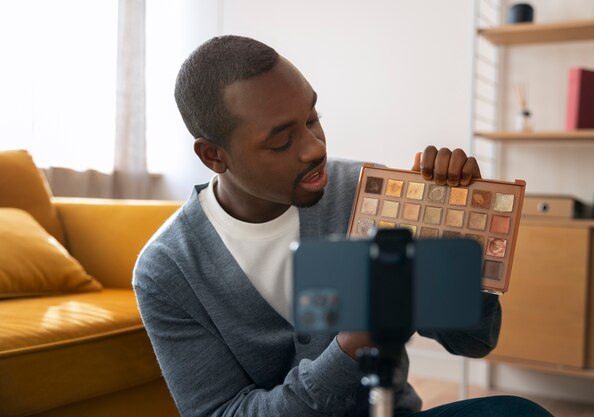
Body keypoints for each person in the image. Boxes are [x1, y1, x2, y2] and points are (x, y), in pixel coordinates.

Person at [133, 35, 552, 417]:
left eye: (313, 118)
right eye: (281, 141)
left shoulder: (361, 193)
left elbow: (473, 342)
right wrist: (350, 349)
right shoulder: (168, 269)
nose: (315, 148)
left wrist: (456, 236)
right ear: (213, 156)